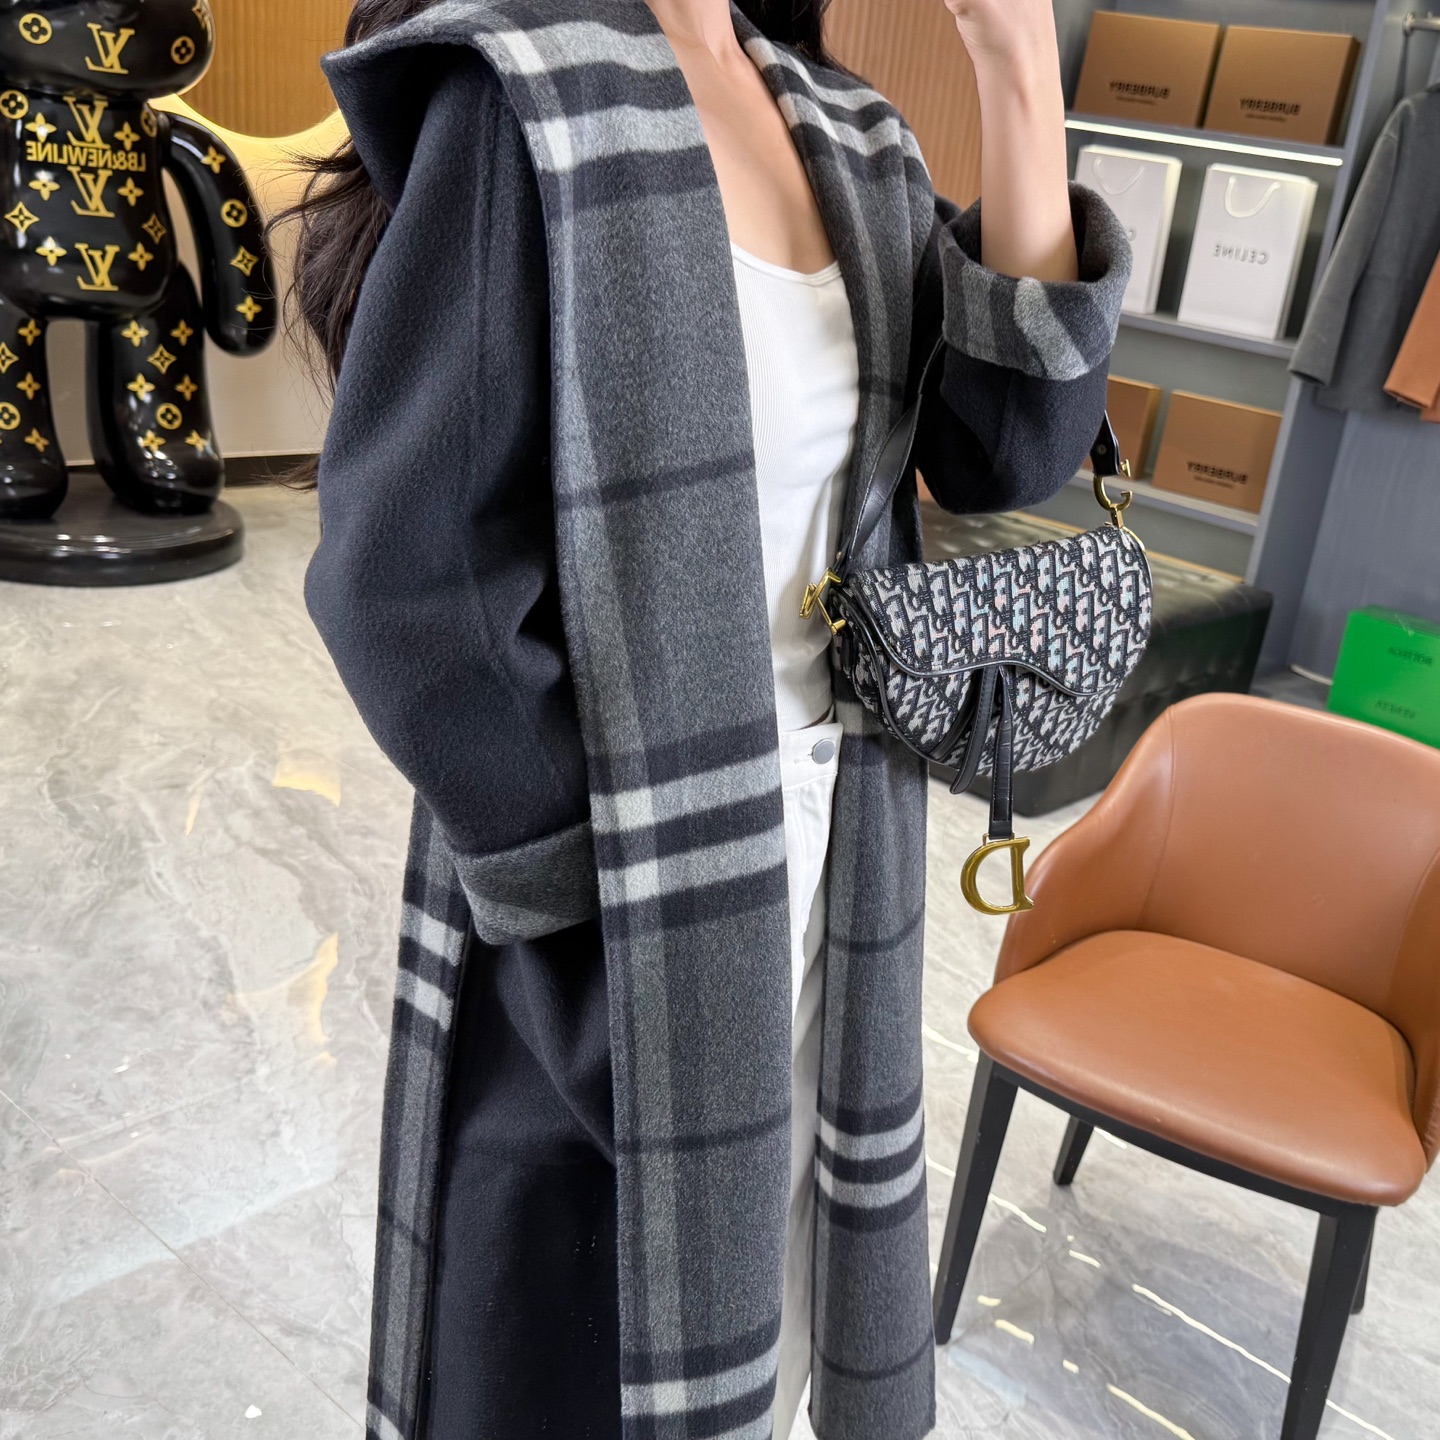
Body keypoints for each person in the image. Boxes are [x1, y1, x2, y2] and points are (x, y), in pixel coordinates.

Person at [291, 0, 1128, 1437]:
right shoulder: (529, 88)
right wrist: (580, 918)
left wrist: (1015, 64)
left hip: (841, 861)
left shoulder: (849, 133)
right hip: (621, 876)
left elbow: (1007, 449)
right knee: (571, 1351)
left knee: (776, 1323)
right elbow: (409, 579)